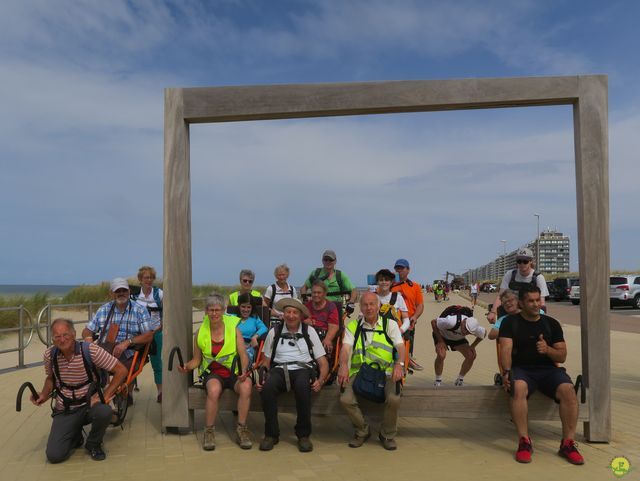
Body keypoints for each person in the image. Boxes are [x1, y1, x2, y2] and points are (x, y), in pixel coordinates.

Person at [499, 284, 584, 465]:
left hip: (548, 371)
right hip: (522, 370)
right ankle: (524, 442)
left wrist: (547, 350)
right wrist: (506, 372)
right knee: (518, 387)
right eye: (530, 301)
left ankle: (567, 444)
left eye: (538, 300)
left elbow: (562, 355)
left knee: (569, 390)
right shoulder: (510, 322)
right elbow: (505, 349)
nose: (536, 304)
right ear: (521, 303)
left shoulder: (551, 324)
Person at [33, 318, 127, 462]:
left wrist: (105, 396)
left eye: (66, 335)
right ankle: (75, 436)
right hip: (66, 408)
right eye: (57, 336)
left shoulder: (90, 350)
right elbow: (51, 378)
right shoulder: (49, 355)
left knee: (104, 411)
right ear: (52, 339)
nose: (62, 340)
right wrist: (43, 394)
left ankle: (93, 444)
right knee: (54, 456)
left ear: (74, 334)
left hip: (90, 404)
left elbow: (121, 370)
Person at [178, 293, 254, 450]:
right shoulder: (200, 333)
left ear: (223, 310)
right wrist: (187, 366)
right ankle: (209, 431)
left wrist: (244, 371)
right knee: (213, 390)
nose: (214, 313)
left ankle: (241, 429)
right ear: (206, 311)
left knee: (246, 386)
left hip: (234, 373)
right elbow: (197, 360)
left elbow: (243, 355)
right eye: (211, 310)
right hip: (214, 374)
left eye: (217, 310)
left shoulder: (234, 330)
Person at [256, 298, 329, 453]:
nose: (291, 316)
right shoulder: (274, 332)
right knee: (267, 389)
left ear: (300, 315)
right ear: (283, 314)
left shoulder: (309, 331)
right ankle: (271, 434)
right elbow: (266, 362)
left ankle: (303, 435)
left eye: (295, 312)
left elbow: (323, 362)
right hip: (279, 369)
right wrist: (261, 379)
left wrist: (321, 380)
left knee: (303, 387)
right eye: (288, 312)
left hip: (303, 368)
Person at [338, 292, 405, 450]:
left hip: (386, 372)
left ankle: (387, 434)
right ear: (360, 308)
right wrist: (343, 365)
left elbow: (401, 347)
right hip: (359, 372)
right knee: (345, 399)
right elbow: (345, 349)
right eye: (365, 305)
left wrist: (399, 364)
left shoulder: (390, 325)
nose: (369, 308)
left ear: (379, 306)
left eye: (372, 304)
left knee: (394, 399)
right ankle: (362, 431)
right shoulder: (353, 326)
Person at [82, 277, 159, 406]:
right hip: (105, 348)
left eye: (124, 290)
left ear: (129, 292)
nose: (121, 293)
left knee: (116, 368)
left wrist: (128, 342)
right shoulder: (104, 309)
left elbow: (149, 336)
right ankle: (97, 395)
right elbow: (87, 330)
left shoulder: (139, 310)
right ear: (112, 293)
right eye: (118, 291)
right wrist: (89, 339)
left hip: (130, 351)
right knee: (88, 362)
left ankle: (105, 399)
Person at [487, 247, 549, 324]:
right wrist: (493, 312)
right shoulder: (510, 274)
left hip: (529, 314)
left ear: (531, 261)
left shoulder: (538, 278)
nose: (522, 264)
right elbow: (500, 296)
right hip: (509, 312)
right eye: (519, 261)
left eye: (525, 261)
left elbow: (541, 304)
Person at [431, 306, 486, 387]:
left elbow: (484, 334)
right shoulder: (451, 321)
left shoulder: (475, 328)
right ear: (463, 322)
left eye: (469, 332)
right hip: (442, 335)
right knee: (441, 355)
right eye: (465, 328)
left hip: (457, 339)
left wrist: (473, 346)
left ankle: (460, 379)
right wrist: (440, 341)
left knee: (471, 355)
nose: (465, 332)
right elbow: (433, 322)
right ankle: (437, 381)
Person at [131, 265, 164, 402]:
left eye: (151, 277)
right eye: (146, 277)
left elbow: (166, 314)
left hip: (156, 333)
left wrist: (157, 330)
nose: (148, 280)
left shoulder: (160, 293)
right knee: (132, 363)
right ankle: (128, 395)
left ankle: (161, 393)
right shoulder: (134, 295)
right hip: (138, 335)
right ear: (140, 279)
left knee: (157, 364)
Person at [300, 249, 357, 320]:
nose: (328, 262)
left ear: (335, 261)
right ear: (322, 261)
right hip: (318, 308)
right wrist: (305, 300)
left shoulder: (340, 275)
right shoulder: (315, 273)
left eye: (330, 260)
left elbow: (353, 290)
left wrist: (351, 303)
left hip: (336, 309)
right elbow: (304, 288)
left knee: (337, 329)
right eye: (325, 260)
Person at [392, 259, 424, 371]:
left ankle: (408, 360)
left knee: (407, 344)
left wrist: (415, 317)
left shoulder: (414, 286)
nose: (399, 270)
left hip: (408, 320)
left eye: (401, 268)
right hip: (391, 320)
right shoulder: (389, 284)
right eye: (397, 268)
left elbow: (420, 305)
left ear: (408, 270)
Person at [303, 280, 340, 356]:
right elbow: (298, 321)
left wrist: (328, 339)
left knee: (325, 349)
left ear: (325, 293)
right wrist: (304, 321)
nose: (316, 295)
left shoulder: (331, 306)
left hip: (324, 335)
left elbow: (334, 326)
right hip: (308, 336)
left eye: (319, 292)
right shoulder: (306, 306)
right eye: (314, 292)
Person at [236, 292, 268, 363]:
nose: (246, 310)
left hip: (248, 348)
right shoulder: (233, 317)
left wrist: (255, 337)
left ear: (252, 307)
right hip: (234, 346)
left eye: (248, 307)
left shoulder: (254, 319)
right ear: (239, 306)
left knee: (243, 357)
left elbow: (264, 328)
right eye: (243, 306)